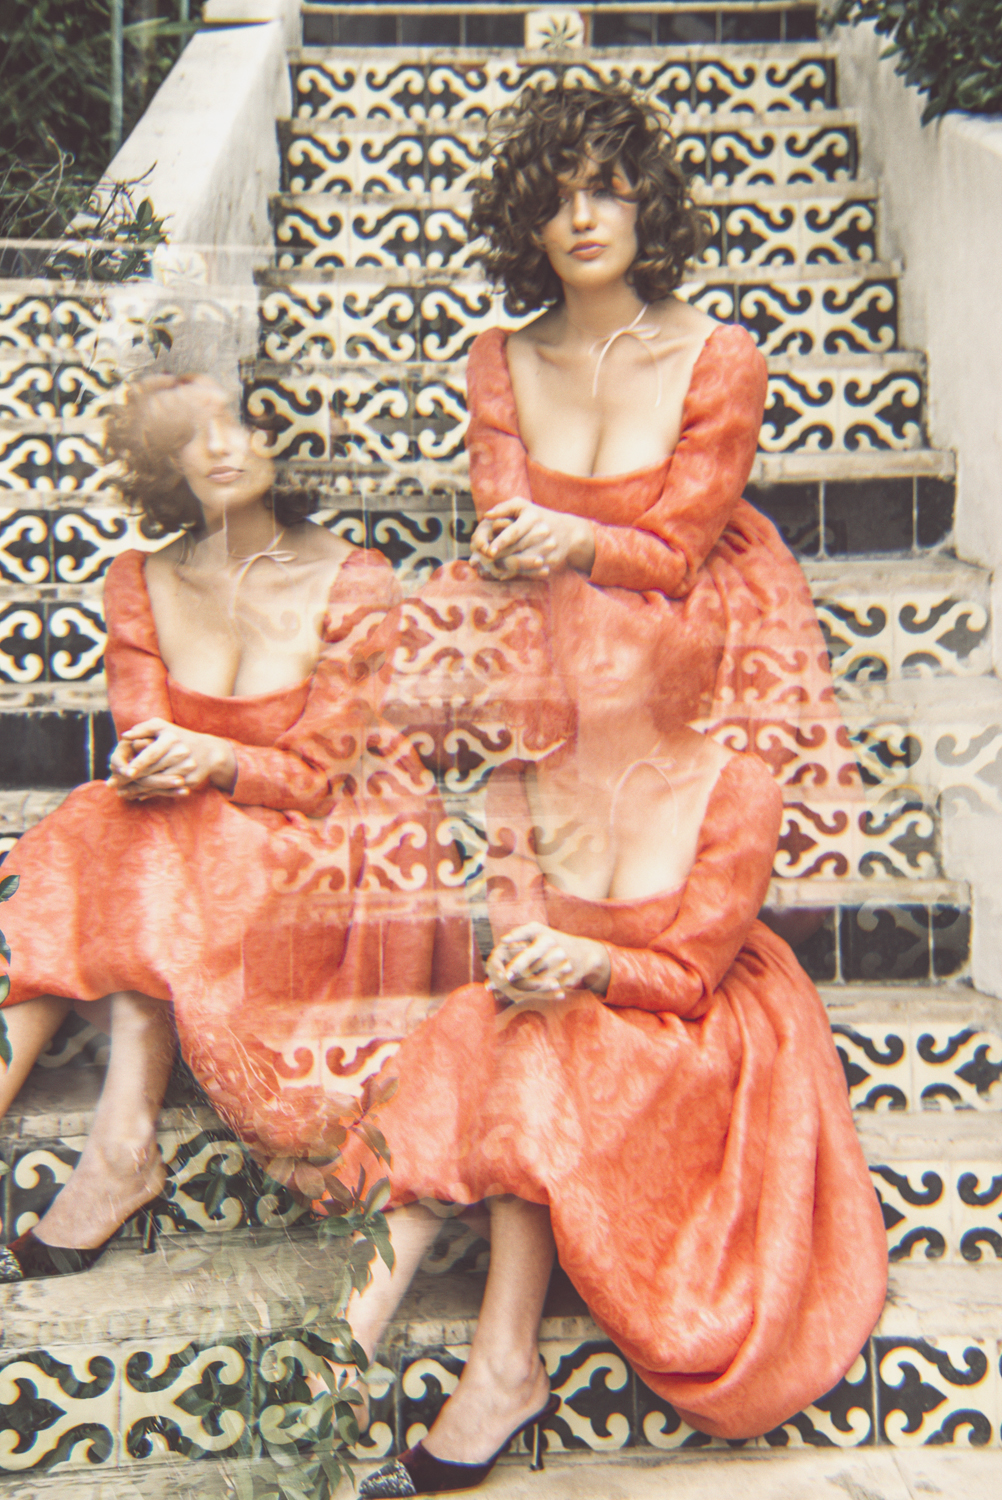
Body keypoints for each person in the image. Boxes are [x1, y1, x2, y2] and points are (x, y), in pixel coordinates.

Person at [327, 82, 885, 1495]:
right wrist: (526, 552)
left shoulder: (720, 355)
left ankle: (423, 1363)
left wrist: (566, 543)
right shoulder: (496, 359)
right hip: (554, 652)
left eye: (609, 189)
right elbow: (497, 527)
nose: (583, 217)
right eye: (558, 194)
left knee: (603, 648)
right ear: (529, 217)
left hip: (672, 615)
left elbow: (677, 546)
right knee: (438, 694)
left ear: (647, 206)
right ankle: (380, 1360)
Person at [0, 373, 475, 1282]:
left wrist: (209, 757)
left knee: (135, 849)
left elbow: (314, 776)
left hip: (319, 836)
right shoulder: (139, 578)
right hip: (185, 831)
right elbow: (142, 742)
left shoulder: (356, 578)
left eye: (246, 423)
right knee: (86, 834)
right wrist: (152, 762)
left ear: (283, 439)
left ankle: (121, 1147)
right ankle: (120, 1144)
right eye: (192, 431)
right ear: (163, 460)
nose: (221, 446)